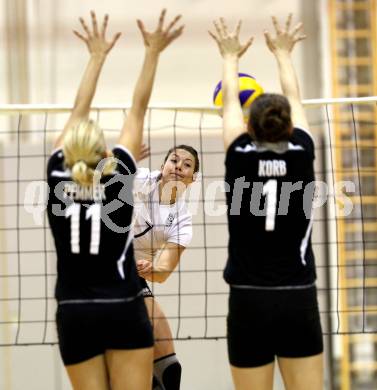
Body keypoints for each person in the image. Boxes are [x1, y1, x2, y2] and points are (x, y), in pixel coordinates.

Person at [47, 9, 183, 390]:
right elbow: (137, 108)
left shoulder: (57, 176)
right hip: (122, 308)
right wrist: (152, 52)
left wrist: (95, 57)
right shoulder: (120, 174)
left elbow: (77, 113)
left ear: (68, 150)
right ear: (104, 153)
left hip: (75, 312)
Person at [209, 14, 323, 390]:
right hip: (296, 299)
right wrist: (284, 54)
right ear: (289, 127)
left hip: (248, 301)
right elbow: (296, 100)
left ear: (249, 127)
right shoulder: (302, 152)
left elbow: (228, 111)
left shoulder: (238, 154)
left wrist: (230, 58)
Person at [134, 144, 200, 390]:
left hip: (132, 277)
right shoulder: (138, 180)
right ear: (162, 167)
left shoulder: (182, 220)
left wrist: (149, 268)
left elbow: (163, 272)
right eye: (174, 160)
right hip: (98, 269)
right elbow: (105, 162)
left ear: (193, 178)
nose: (179, 167)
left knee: (169, 370)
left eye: (187, 165)